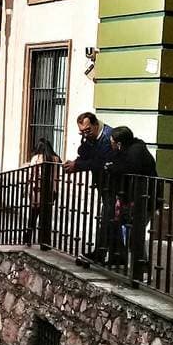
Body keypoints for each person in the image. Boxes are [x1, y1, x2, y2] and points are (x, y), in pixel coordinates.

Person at [63, 112, 114, 262]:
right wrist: (84, 142)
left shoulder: (107, 137)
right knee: (110, 219)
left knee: (108, 218)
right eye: (82, 132)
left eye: (88, 130)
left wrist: (77, 165)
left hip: (114, 185)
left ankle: (100, 253)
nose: (85, 134)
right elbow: (85, 154)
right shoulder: (91, 138)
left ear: (95, 124)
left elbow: (100, 162)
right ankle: (114, 255)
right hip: (104, 185)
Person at [104, 126, 158, 267]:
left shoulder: (136, 151)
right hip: (135, 198)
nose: (111, 145)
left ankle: (142, 268)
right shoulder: (129, 150)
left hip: (144, 198)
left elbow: (128, 167)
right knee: (130, 232)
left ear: (119, 143)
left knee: (135, 234)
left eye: (112, 142)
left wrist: (111, 168)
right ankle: (131, 263)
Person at [23, 137, 61, 245]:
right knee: (46, 218)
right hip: (50, 191)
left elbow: (30, 175)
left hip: (37, 191)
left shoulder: (36, 158)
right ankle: (44, 242)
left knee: (33, 215)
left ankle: (28, 238)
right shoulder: (56, 159)